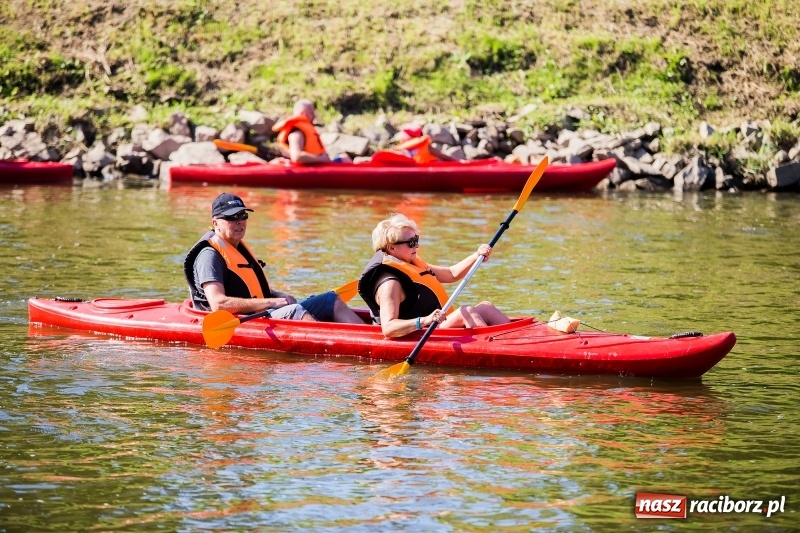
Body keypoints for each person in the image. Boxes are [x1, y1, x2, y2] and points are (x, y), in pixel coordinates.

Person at [184, 192, 363, 324]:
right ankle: (333, 358)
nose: (239, 221)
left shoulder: (237, 247)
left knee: (331, 300)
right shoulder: (209, 255)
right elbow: (218, 304)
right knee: (300, 312)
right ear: (215, 223)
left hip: (261, 312)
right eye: (231, 217)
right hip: (242, 321)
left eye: (243, 215)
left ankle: (370, 336)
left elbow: (251, 290)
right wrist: (270, 302)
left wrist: (278, 295)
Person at [357, 213, 511, 338]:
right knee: (466, 311)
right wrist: (425, 320)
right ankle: (493, 348)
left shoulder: (413, 264)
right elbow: (388, 328)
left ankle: (518, 339)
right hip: (422, 333)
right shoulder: (389, 284)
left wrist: (476, 255)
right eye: (410, 242)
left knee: (486, 307)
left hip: (437, 326)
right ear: (391, 248)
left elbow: (451, 274)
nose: (416, 245)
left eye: (416, 239)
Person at [271, 99, 352, 165]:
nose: (314, 116)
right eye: (311, 113)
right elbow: (297, 157)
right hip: (303, 169)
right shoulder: (297, 133)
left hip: (313, 166)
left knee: (344, 157)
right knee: (345, 160)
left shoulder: (302, 130)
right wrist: (322, 159)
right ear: (303, 113)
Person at [388, 127, 459, 163]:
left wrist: (459, 162)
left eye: (405, 137)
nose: (402, 139)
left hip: (429, 167)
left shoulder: (425, 145)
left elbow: (443, 155)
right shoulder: (402, 149)